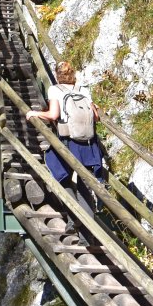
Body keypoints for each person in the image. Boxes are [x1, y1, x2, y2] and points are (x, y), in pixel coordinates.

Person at [25, 60, 106, 210]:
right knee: (84, 183)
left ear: (57, 75)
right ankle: (86, 220)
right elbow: (95, 117)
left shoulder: (55, 90)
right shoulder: (83, 89)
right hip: (89, 143)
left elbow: (53, 115)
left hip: (69, 142)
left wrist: (35, 113)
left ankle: (74, 216)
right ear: (72, 73)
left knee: (56, 168)